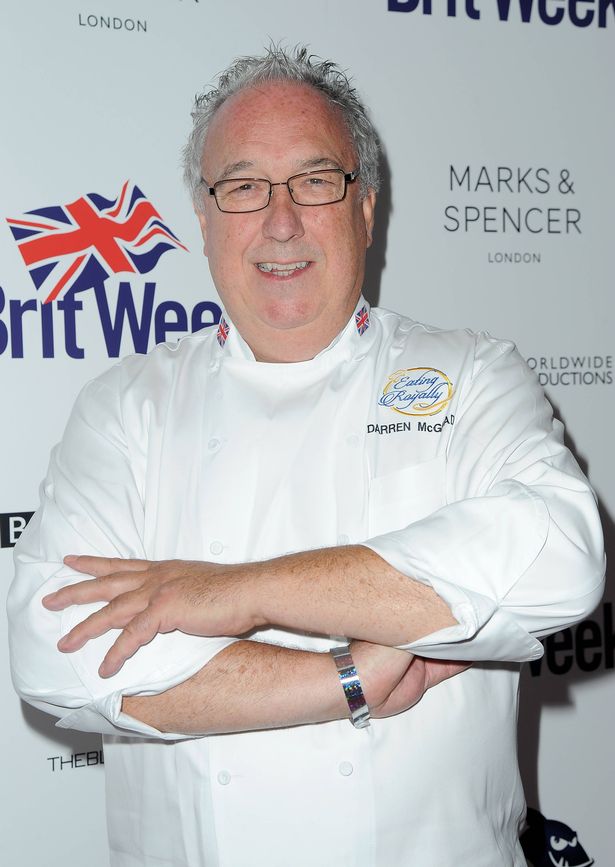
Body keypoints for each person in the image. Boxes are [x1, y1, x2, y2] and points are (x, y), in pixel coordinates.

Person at [8, 46, 604, 867]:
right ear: (204, 216)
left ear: (364, 209)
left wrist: (232, 594)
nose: (280, 221)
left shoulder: (468, 371)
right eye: (244, 186)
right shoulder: (126, 407)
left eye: (315, 181)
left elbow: (559, 556)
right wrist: (352, 676)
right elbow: (57, 650)